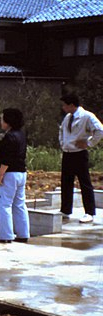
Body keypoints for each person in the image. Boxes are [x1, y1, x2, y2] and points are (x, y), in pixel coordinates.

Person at [59, 93, 103, 224]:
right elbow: (62, 131)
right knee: (66, 182)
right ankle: (66, 209)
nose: (63, 108)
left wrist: (88, 143)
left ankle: (89, 212)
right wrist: (62, 143)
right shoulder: (68, 117)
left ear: (71, 105)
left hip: (79, 153)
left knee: (84, 183)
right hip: (67, 152)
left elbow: (100, 130)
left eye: (64, 105)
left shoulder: (86, 116)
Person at [0, 108, 29, 243]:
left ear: (8, 121)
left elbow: (7, 159)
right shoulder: (21, 134)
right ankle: (23, 233)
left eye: (3, 118)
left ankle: (6, 235)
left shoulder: (9, 137)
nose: (1, 121)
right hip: (21, 172)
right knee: (19, 204)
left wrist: (0, 175)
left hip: (10, 173)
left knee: (4, 204)